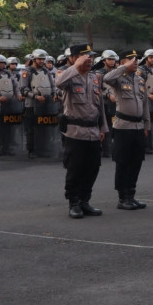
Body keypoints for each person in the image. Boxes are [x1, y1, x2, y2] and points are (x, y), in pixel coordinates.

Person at [55, 44, 108, 219]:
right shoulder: (69, 76)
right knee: (75, 168)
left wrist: (103, 127)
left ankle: (85, 200)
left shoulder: (94, 78)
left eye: (91, 57)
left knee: (92, 167)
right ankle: (74, 202)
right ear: (74, 57)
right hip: (75, 131)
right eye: (85, 56)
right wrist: (75, 67)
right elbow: (58, 83)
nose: (89, 60)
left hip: (93, 130)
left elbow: (99, 105)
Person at [103, 49, 151, 210]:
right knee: (123, 162)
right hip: (123, 126)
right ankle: (122, 197)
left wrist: (146, 124)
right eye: (130, 59)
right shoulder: (118, 78)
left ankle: (131, 194)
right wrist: (123, 67)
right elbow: (107, 78)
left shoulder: (139, 79)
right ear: (122, 62)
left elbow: (144, 104)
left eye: (136, 59)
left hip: (138, 126)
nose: (135, 62)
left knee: (136, 162)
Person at [0, 54, 23, 156]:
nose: (2, 65)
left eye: (3, 63)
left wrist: (18, 95)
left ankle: (6, 148)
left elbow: (15, 86)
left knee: (7, 128)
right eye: (0, 63)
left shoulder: (8, 73)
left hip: (9, 105)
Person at [94, 50, 119, 158]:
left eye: (113, 59)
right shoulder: (99, 73)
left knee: (116, 126)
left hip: (117, 103)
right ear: (104, 60)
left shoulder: (117, 72)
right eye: (109, 59)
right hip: (104, 103)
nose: (112, 61)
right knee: (105, 126)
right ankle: (105, 149)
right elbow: (96, 89)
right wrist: (107, 95)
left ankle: (115, 149)